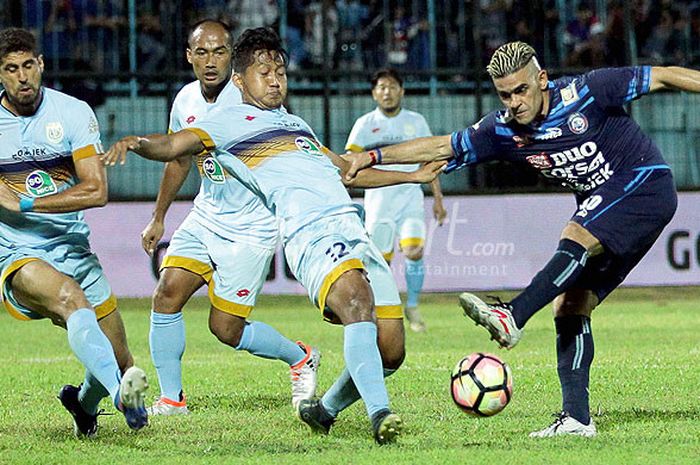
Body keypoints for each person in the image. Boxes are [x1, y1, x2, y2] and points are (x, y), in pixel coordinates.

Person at [103, 27, 445, 444]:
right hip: (308, 232)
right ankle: (381, 415)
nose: (275, 80)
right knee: (356, 303)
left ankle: (325, 410)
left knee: (392, 350)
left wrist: (414, 175)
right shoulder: (225, 122)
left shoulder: (296, 124)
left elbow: (346, 170)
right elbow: (174, 146)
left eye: (280, 72)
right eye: (264, 73)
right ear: (240, 80)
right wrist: (136, 142)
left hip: (351, 229)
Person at [343, 41, 700, 437]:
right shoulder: (502, 130)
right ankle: (577, 419)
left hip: (645, 184)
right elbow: (443, 144)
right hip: (614, 209)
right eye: (505, 94)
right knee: (570, 305)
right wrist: (372, 157)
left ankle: (512, 316)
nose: (514, 102)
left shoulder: (589, 90)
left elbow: (664, 74)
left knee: (576, 232)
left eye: (521, 90)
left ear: (542, 79)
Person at [134, 19, 321, 416]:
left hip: (251, 228)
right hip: (206, 215)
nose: (211, 61)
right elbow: (179, 159)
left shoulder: (254, 100)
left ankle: (300, 356)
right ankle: (172, 399)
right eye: (202, 52)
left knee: (226, 330)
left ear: (232, 57)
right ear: (189, 56)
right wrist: (158, 217)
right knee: (167, 293)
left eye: (220, 51)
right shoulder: (185, 100)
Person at [0, 27, 148, 437]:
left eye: (28, 65)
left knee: (119, 359)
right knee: (69, 298)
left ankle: (83, 405)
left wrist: (25, 202)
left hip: (73, 247)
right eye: (11, 69)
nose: (22, 76)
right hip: (18, 250)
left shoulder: (73, 112)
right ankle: (123, 398)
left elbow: (97, 190)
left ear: (41, 64)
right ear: (0, 74)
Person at [345, 68, 447, 333]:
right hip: (379, 201)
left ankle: (412, 305)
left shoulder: (416, 121)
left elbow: (429, 161)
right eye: (381, 87)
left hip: (410, 198)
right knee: (380, 260)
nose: (386, 92)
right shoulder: (365, 124)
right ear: (374, 93)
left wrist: (437, 199)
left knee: (414, 251)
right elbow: (348, 163)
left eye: (391, 87)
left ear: (401, 90)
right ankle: (381, 311)